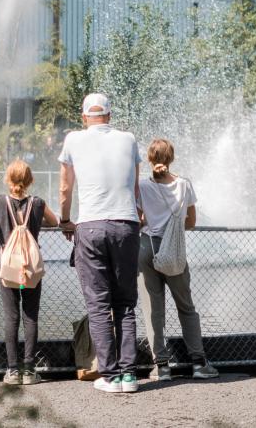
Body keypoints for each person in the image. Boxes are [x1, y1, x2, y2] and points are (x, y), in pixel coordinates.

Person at [58, 93, 142, 393]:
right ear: (109, 115)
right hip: (126, 225)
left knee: (98, 304)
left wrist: (65, 219)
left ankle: (110, 375)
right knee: (126, 304)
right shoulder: (129, 139)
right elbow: (133, 185)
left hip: (90, 226)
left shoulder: (73, 140)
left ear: (84, 116)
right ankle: (130, 375)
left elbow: (66, 186)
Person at [137, 138, 219, 381]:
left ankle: (161, 367)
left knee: (153, 309)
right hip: (173, 251)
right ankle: (198, 363)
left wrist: (152, 221)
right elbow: (191, 222)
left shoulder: (141, 186)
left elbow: (138, 218)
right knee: (186, 307)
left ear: (150, 159)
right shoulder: (184, 185)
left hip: (147, 248)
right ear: (171, 158)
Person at [0, 159, 59, 385]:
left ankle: (12, 371)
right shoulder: (38, 203)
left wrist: (2, 227)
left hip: (10, 269)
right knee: (30, 317)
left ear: (8, 179)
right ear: (30, 180)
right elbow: (55, 221)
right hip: (29, 271)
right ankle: (30, 370)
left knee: (11, 317)